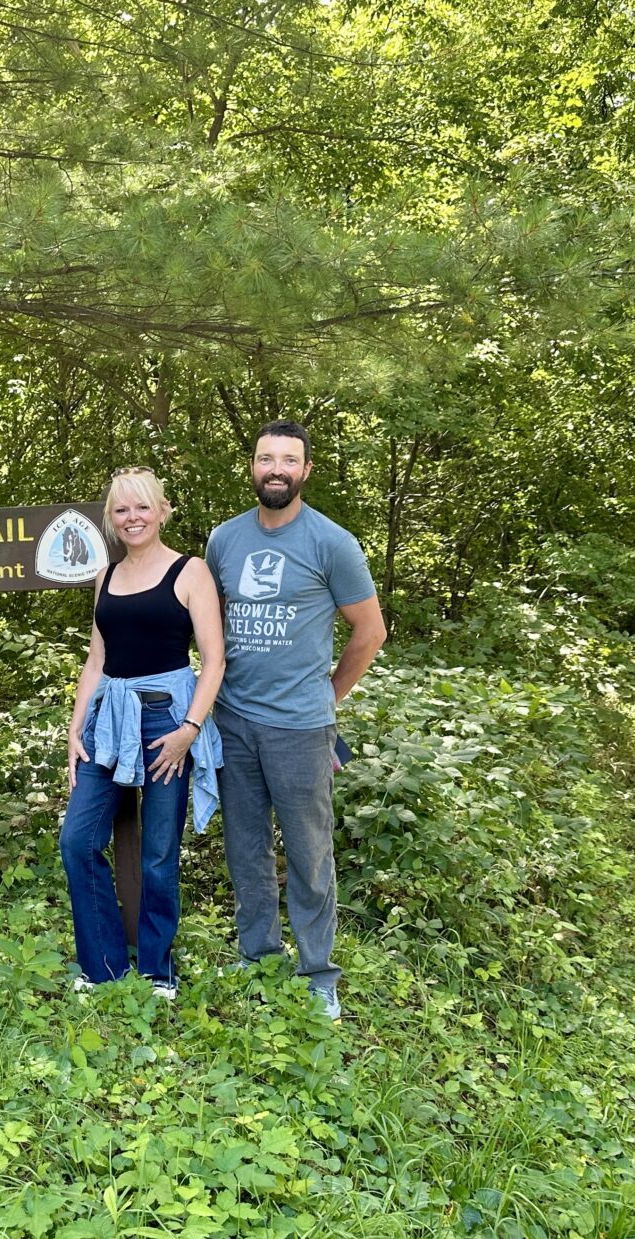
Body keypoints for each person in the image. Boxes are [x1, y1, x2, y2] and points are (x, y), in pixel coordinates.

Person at [204, 420, 387, 1019]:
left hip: (302, 728)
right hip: (233, 719)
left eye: (288, 459)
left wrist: (329, 697)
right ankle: (257, 955)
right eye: (265, 458)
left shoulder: (332, 542)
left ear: (306, 471)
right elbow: (216, 625)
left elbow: (370, 630)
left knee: (309, 854)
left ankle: (318, 973)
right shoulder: (224, 541)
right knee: (246, 847)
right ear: (252, 468)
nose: (275, 468)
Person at [60, 467, 225, 999]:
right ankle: (102, 966)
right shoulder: (105, 577)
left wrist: (189, 730)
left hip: (165, 724)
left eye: (142, 507)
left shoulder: (190, 571)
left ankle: (157, 970)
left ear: (162, 510)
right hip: (107, 721)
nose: (132, 518)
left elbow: (214, 660)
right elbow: (95, 660)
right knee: (77, 841)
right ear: (111, 519)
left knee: (158, 853)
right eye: (121, 510)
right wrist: (74, 727)